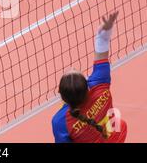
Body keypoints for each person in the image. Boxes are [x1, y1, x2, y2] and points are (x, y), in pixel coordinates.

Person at [52, 11, 127, 143]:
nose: (72, 67)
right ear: (88, 86)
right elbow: (102, 44)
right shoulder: (100, 87)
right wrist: (104, 31)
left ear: (61, 95)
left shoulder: (60, 121)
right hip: (117, 136)